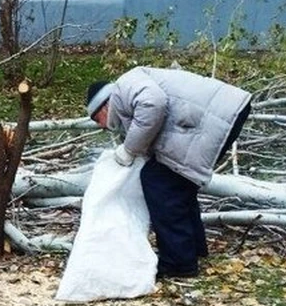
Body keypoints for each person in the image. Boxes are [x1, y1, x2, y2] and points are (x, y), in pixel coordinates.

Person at [86, 67, 252, 279]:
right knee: (177, 182)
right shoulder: (126, 95)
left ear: (102, 108)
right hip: (222, 111)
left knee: (159, 184)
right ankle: (193, 250)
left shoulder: (123, 88)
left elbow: (153, 104)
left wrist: (128, 150)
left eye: (96, 120)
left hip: (217, 115)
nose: (101, 127)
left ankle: (178, 263)